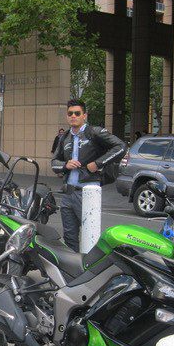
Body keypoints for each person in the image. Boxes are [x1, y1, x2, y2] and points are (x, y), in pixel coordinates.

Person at [51, 99, 126, 253]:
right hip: (68, 193)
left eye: (77, 113)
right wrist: (65, 165)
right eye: (70, 113)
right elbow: (54, 163)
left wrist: (98, 163)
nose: (73, 116)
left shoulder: (95, 132)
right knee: (70, 237)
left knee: (90, 236)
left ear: (84, 116)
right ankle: (73, 272)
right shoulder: (64, 137)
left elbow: (121, 147)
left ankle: (91, 271)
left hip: (88, 192)